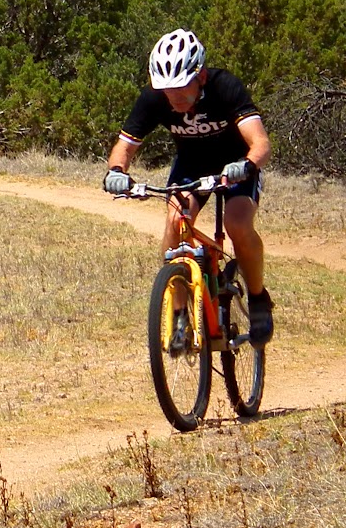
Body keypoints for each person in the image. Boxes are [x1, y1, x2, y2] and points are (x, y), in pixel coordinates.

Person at [102, 29, 274, 345]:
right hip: (192, 165)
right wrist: (116, 171)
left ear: (202, 76)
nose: (175, 99)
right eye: (168, 92)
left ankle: (258, 297)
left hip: (235, 163)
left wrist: (247, 165)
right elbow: (124, 147)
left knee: (237, 223)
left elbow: (260, 143)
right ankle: (180, 313)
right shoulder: (154, 98)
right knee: (174, 220)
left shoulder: (226, 87)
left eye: (181, 90)